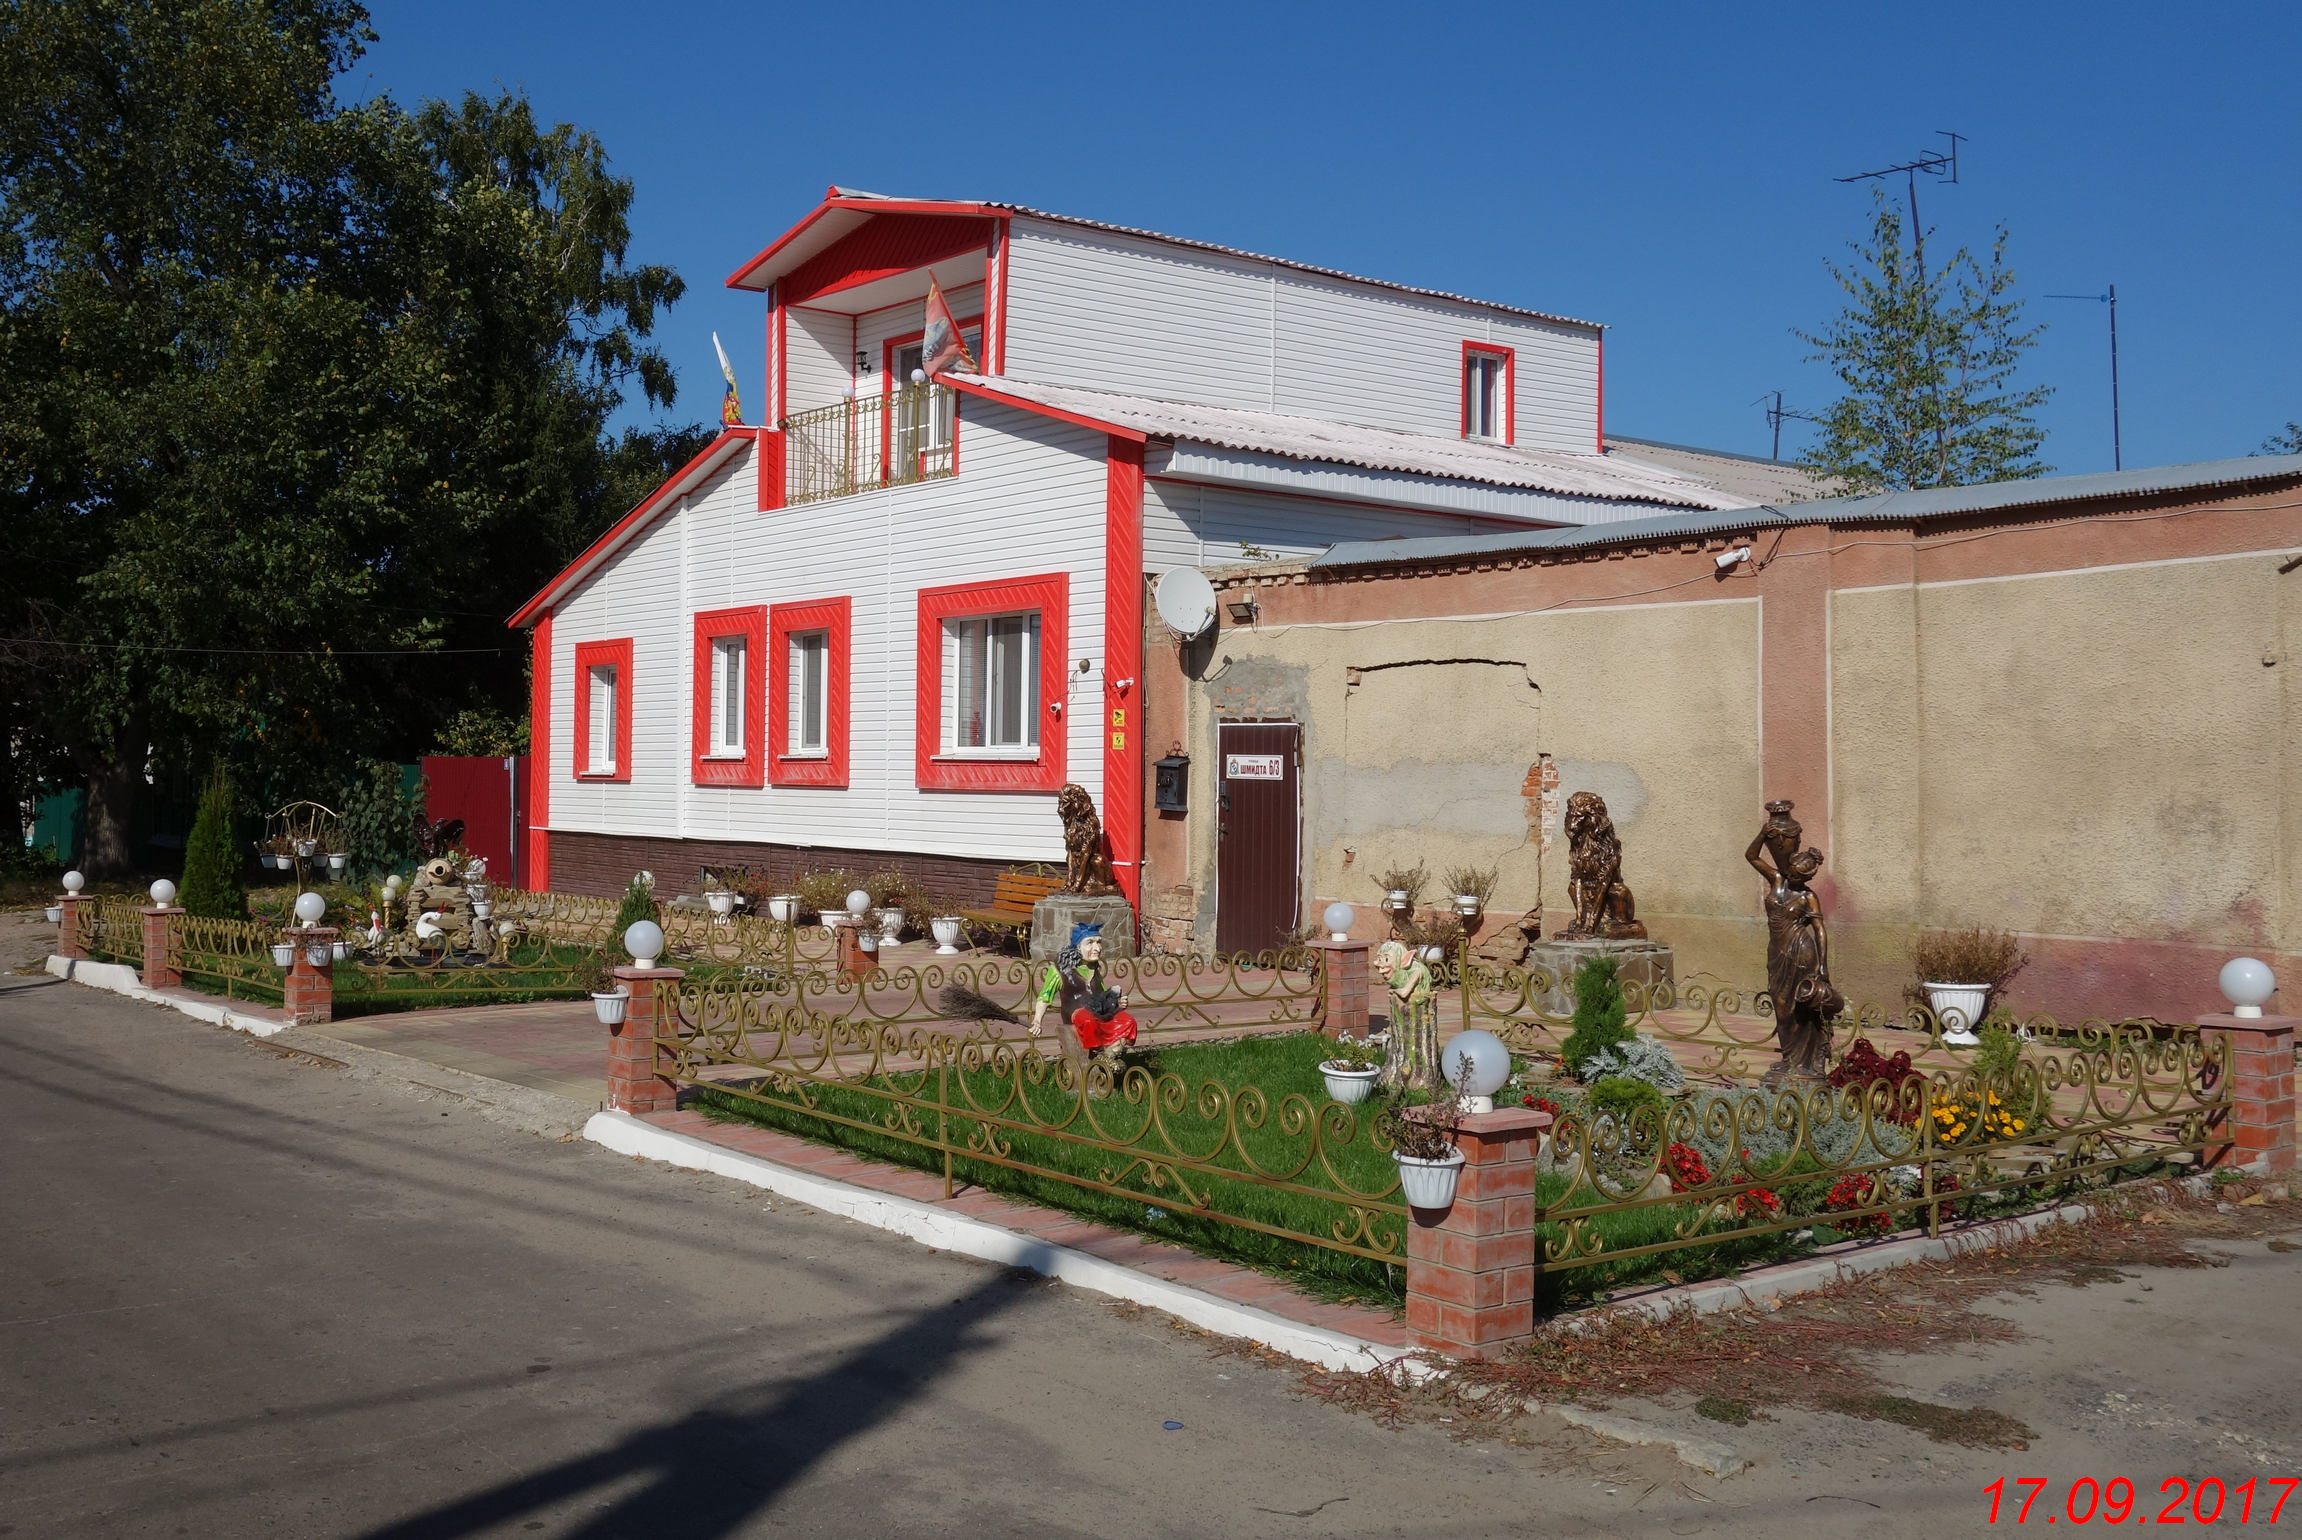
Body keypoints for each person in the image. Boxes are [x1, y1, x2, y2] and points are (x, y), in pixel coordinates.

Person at [1744, 819, 1843, 1081]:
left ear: (1807, 877)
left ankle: (1806, 1063)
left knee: (1801, 1007)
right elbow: (1751, 856)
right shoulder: (1776, 879)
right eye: (1791, 872)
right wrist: (1762, 834)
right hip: (1777, 952)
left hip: (1801, 953)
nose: (1792, 877)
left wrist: (1822, 964)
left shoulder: (1808, 897)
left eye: (1798, 876)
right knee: (1780, 1005)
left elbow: (1819, 930)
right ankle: (1789, 1059)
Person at [1030, 922, 1138, 1062]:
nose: (1097, 948)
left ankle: (1112, 1050)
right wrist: (1037, 1020)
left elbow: (1103, 994)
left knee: (1128, 1021)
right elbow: (1045, 997)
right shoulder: (1060, 970)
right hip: (1077, 1014)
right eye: (1090, 943)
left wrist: (1116, 1002)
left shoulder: (1093, 968)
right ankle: (1100, 1051)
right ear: (1077, 947)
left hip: (1098, 1011)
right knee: (1088, 1020)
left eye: (1098, 942)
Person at [1374, 938, 1438, 1094]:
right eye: (1379, 959)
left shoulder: (1416, 970)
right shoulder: (1401, 973)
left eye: (1386, 959)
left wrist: (1399, 991)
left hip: (1418, 1005)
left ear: (1404, 960)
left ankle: (1418, 1079)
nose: (1379, 966)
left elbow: (1404, 992)